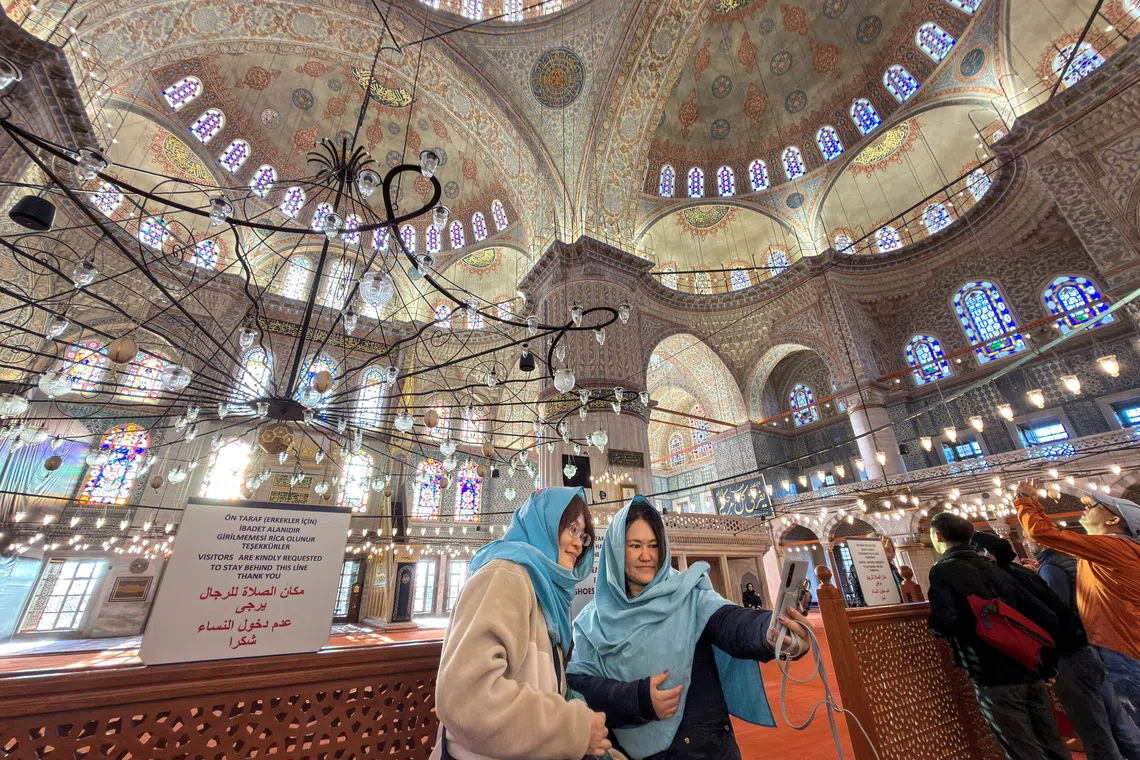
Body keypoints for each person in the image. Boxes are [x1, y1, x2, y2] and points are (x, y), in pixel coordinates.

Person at [566, 495, 814, 760]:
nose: (647, 556)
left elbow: (731, 623)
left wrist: (772, 631)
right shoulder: (592, 622)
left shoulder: (689, 595)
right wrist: (638, 699)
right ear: (616, 551)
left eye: (653, 545)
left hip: (707, 747)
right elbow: (580, 687)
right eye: (635, 545)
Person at [431, 486, 612, 760]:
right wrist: (571, 728)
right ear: (544, 525)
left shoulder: (544, 592)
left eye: (583, 536)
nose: (578, 544)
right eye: (572, 529)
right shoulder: (505, 575)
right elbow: (467, 699)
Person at [973, 531, 1139, 760]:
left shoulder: (1046, 569)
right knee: (1118, 721)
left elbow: (1053, 611)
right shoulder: (1054, 564)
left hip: (1068, 654)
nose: (1026, 543)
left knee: (1095, 729)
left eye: (1029, 539)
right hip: (1087, 646)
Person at [926, 511, 1070, 760]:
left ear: (937, 536)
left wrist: (937, 625)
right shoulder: (994, 567)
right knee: (1051, 742)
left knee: (1021, 748)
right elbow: (1039, 611)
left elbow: (946, 621)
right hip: (1028, 663)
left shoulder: (944, 570)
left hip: (991, 670)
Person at [1015, 480, 1140, 748]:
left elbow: (1042, 533)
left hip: (1123, 649)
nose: (1085, 508)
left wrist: (1023, 499)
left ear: (1113, 520)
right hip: (1122, 645)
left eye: (1095, 506)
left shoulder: (1113, 546)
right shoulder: (1114, 552)